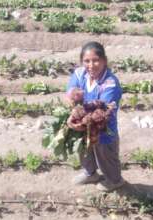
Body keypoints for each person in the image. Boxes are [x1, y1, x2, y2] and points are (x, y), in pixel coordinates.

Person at [66, 41, 125, 191]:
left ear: (104, 61)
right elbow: (71, 91)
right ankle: (90, 173)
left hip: (103, 127)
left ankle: (115, 180)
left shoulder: (110, 83)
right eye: (87, 61)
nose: (91, 65)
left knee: (105, 154)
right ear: (82, 61)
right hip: (83, 123)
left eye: (96, 60)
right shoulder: (80, 73)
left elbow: (101, 111)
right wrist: (73, 98)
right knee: (85, 150)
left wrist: (78, 120)